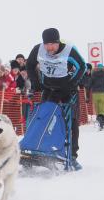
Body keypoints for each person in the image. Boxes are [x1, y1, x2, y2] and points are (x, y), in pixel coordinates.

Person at [26, 28, 86, 170]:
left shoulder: (69, 49)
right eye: (47, 44)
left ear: (58, 42)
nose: (49, 47)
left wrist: (71, 84)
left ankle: (72, 156)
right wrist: (36, 83)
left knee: (71, 122)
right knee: (44, 119)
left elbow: (82, 66)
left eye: (53, 44)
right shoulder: (38, 49)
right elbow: (29, 65)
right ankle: (41, 151)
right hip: (48, 88)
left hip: (67, 90)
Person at [86, 64, 104, 130]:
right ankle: (101, 120)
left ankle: (100, 120)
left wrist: (87, 96)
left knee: (97, 108)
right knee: (103, 108)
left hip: (95, 94)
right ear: (103, 68)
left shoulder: (93, 75)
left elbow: (88, 86)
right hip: (103, 93)